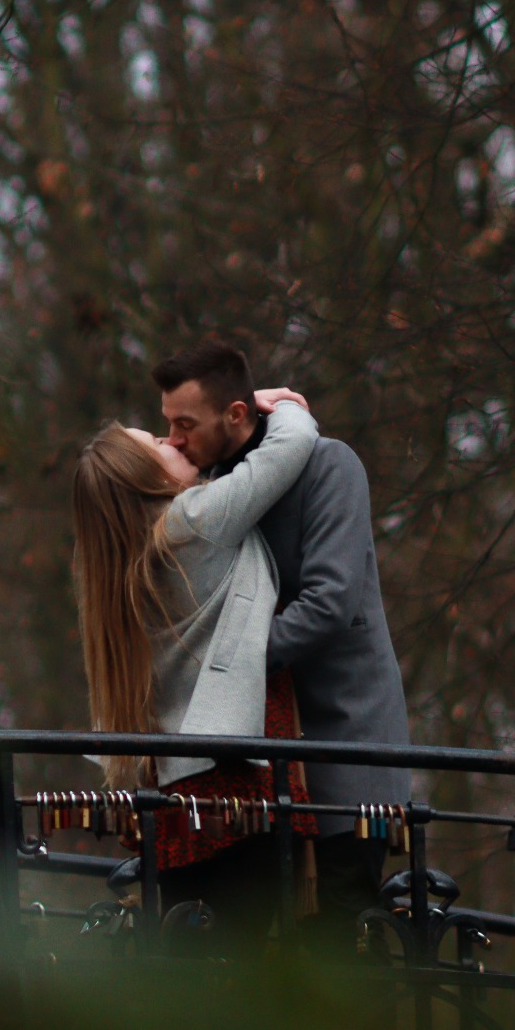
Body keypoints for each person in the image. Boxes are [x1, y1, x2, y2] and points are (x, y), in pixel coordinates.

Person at [155, 339, 411, 950]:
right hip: (259, 762)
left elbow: (329, 604)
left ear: (235, 414)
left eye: (185, 424)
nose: (174, 440)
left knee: (343, 941)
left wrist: (224, 668)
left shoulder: (329, 466)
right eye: (169, 423)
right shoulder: (217, 488)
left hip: (342, 739)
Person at [70, 388, 320, 943]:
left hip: (173, 796)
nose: (174, 441)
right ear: (146, 479)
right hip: (235, 791)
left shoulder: (118, 565)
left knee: (193, 956)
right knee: (242, 960)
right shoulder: (194, 520)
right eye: (159, 443)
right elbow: (294, 444)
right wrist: (252, 405)